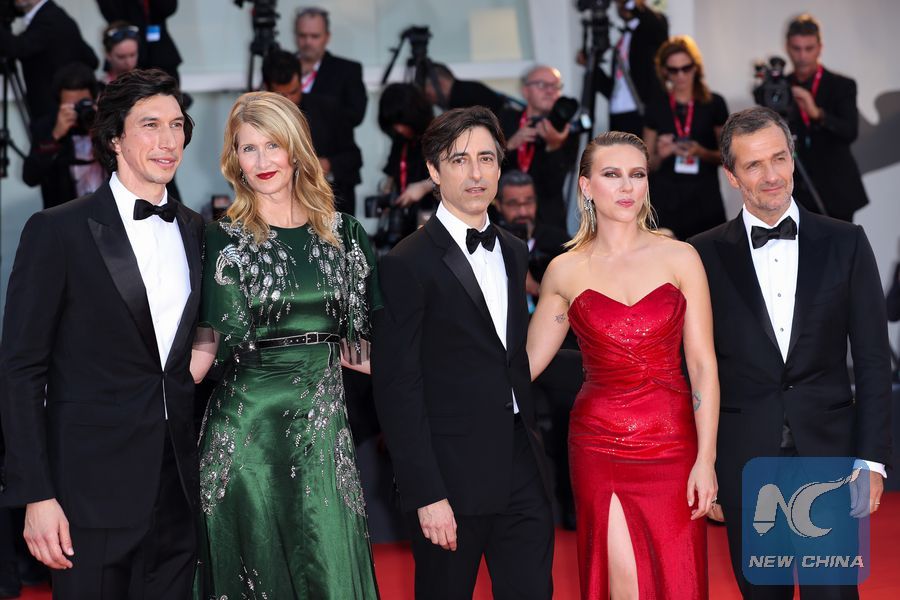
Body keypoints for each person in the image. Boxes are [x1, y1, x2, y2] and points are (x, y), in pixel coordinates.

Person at [0, 68, 202, 598]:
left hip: (179, 490)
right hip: (87, 496)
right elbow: (20, 370)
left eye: (176, 125)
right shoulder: (57, 230)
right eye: (150, 125)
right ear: (115, 138)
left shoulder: (197, 231)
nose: (168, 140)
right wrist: (36, 494)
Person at [689, 106, 892, 598]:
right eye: (754, 165)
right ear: (732, 175)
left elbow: (872, 361)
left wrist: (871, 462)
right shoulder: (700, 255)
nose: (772, 175)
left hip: (830, 459)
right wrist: (706, 463)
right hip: (744, 462)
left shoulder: (846, 242)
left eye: (779, 158)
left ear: (793, 158)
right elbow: (692, 368)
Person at [189, 91, 380, 599]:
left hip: (322, 438)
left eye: (272, 145)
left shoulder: (345, 235)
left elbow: (357, 351)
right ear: (235, 160)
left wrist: (444, 377)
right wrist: (135, 405)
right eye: (248, 148)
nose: (261, 160)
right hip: (245, 437)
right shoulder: (223, 239)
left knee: (330, 569)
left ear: (296, 149)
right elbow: (206, 349)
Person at [372, 106, 554, 599]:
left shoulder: (513, 250)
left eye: (486, 158)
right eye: (459, 160)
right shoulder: (406, 263)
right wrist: (426, 494)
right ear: (434, 171)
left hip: (521, 463)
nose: (476, 173)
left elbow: (510, 357)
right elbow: (397, 388)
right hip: (449, 475)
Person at [527, 131, 719, 599]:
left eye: (637, 174)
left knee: (677, 577)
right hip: (600, 444)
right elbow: (525, 365)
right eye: (612, 174)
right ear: (586, 185)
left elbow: (702, 365)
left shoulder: (681, 258)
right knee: (623, 583)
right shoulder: (565, 270)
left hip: (674, 443)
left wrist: (706, 459)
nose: (627, 186)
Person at [782, 13, 868, 222]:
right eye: (796, 48)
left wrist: (817, 113)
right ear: (787, 47)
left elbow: (850, 132)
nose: (802, 56)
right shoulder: (779, 88)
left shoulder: (842, 85)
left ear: (820, 48)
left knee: (841, 242)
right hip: (796, 187)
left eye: (809, 48)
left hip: (836, 188)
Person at [643, 35, 728, 240]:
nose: (680, 75)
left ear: (695, 67)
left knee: (709, 254)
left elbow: (728, 156)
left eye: (686, 68)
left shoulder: (714, 103)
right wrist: (662, 154)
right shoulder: (656, 106)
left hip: (705, 197)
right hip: (667, 197)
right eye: (674, 70)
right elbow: (645, 165)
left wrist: (701, 152)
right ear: (664, 71)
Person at [262, 49, 362, 215]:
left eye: (293, 92)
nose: (288, 101)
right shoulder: (255, 120)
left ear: (301, 83)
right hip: (275, 209)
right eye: (280, 95)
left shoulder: (328, 109)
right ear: (267, 88)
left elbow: (353, 157)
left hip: (326, 207)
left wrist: (328, 164)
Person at [294, 6, 367, 213]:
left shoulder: (347, 70)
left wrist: (318, 107)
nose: (308, 42)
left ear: (327, 37)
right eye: (302, 36)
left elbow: (357, 114)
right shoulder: (285, 68)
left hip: (334, 171)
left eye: (314, 36)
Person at [499, 65, 579, 230]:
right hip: (504, 219)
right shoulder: (504, 120)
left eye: (555, 86)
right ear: (525, 91)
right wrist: (510, 145)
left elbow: (554, 185)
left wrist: (554, 146)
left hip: (547, 223)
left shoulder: (565, 128)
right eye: (542, 85)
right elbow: (487, 168)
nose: (550, 91)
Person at [23, 63, 106, 209]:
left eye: (83, 104)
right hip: (66, 214)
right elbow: (30, 177)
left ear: (94, 99)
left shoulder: (105, 122)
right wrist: (55, 136)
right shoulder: (47, 126)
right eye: (71, 106)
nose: (78, 110)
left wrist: (102, 132)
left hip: (107, 209)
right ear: (59, 104)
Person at [0, 0, 98, 120]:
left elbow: (18, 48)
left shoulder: (48, 18)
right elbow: (91, 58)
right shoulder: (55, 15)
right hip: (61, 109)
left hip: (54, 111)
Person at [589, 0, 668, 138]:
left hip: (641, 114)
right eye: (619, 3)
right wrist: (591, 66)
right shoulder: (622, 39)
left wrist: (633, 5)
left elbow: (657, 28)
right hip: (617, 116)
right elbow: (614, 88)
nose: (622, 6)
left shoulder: (650, 27)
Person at [97, 0, 183, 83]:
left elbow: (168, 8)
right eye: (121, 57)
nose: (128, 62)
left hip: (160, 54)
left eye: (132, 55)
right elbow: (111, 12)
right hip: (124, 38)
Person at [423, 62, 506, 115]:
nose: (429, 101)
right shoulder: (471, 88)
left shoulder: (460, 101)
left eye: (428, 95)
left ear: (441, 84)